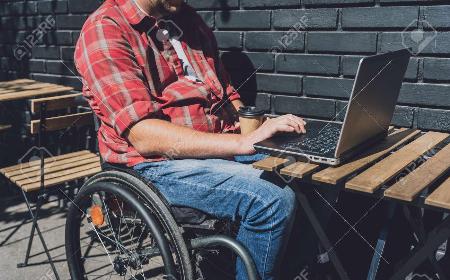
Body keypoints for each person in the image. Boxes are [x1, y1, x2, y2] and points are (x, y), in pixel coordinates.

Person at [74, 0, 307, 279]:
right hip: (153, 165)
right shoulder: (105, 30)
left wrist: (257, 131)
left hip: (218, 143)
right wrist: (242, 144)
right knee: (271, 199)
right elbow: (144, 135)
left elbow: (225, 91)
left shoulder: (187, 19)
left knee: (309, 166)